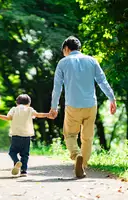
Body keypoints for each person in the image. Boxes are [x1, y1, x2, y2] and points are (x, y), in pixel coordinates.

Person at [49, 36, 116, 178]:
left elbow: (57, 88)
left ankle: (76, 154)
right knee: (87, 137)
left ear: (66, 49)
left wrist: (54, 107)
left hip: (72, 105)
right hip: (91, 104)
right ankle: (83, 165)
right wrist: (112, 98)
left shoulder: (63, 62)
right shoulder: (92, 61)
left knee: (70, 134)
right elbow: (102, 81)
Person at [0, 94, 49, 176]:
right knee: (25, 154)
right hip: (26, 137)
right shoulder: (30, 109)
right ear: (29, 103)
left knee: (12, 152)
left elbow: (8, 118)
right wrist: (48, 114)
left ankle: (16, 162)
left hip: (16, 136)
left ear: (17, 103)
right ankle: (23, 171)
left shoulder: (14, 109)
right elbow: (38, 115)